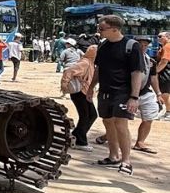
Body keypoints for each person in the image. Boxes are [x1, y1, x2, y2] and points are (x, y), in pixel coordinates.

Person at [85, 15, 146, 176]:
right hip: (105, 91)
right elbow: (98, 69)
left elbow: (137, 73)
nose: (99, 31)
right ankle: (113, 156)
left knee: (120, 124)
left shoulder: (131, 46)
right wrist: (91, 87)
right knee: (107, 122)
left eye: (101, 28)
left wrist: (134, 97)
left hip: (123, 92)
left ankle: (126, 161)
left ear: (114, 29)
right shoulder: (103, 46)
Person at [62, 44, 97, 151]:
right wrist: (64, 84)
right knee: (86, 116)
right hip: (79, 93)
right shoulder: (85, 63)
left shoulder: (90, 63)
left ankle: (76, 135)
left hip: (85, 93)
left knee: (92, 115)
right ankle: (80, 141)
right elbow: (69, 71)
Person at [156, 31, 170, 118]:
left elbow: (164, 61)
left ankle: (168, 112)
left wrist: (155, 71)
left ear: (167, 37)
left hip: (166, 71)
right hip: (166, 71)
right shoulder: (164, 46)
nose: (158, 38)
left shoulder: (167, 46)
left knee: (165, 93)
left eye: (160, 36)